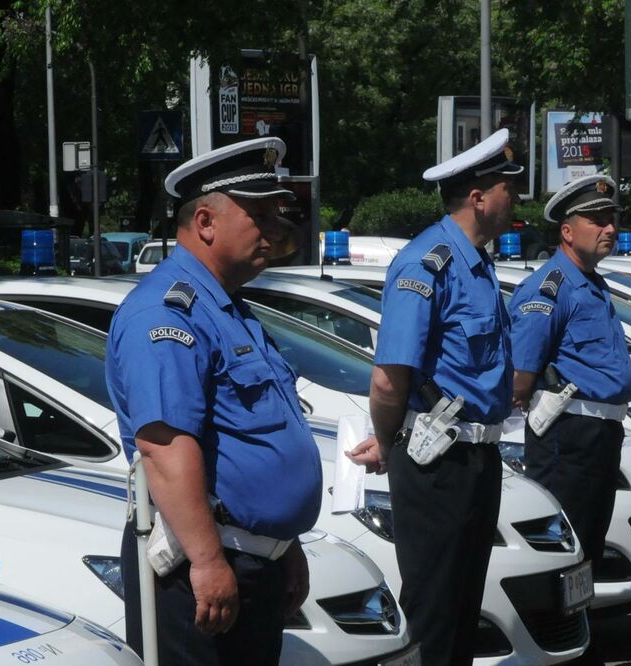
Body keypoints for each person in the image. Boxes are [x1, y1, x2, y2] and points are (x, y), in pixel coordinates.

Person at [106, 137, 321, 665]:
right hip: (201, 568)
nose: (275, 229)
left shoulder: (227, 308)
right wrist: (205, 561)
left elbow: (246, 441)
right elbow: (163, 446)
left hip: (250, 561)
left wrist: (284, 545)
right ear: (205, 222)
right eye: (260, 215)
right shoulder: (166, 314)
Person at [347, 128, 519, 664]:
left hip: (478, 455)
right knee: (435, 607)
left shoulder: (477, 263)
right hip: (437, 460)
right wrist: (385, 438)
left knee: (464, 603)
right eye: (508, 189)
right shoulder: (428, 264)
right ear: (478, 197)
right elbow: (388, 377)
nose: (516, 200)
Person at [508, 175, 631, 588]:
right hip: (569, 432)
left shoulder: (592, 284)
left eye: (611, 219)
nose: (610, 228)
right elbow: (520, 376)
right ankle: (562, 639)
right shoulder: (550, 288)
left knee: (590, 541)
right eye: (597, 220)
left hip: (601, 430)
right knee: (567, 542)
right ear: (567, 231)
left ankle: (582, 636)